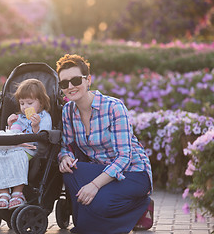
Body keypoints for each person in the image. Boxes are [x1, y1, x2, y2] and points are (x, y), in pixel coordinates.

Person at [56, 54, 153, 234]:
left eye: (76, 80)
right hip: (101, 169)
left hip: (132, 172)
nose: (70, 87)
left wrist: (94, 185)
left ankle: (142, 205)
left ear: (88, 80)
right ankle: (89, 219)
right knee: (68, 172)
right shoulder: (68, 111)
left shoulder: (114, 107)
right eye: (64, 83)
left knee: (99, 203)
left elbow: (125, 157)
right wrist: (65, 158)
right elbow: (65, 146)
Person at [0, 78, 52, 210]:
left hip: (31, 148)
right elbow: (14, 133)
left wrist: (36, 126)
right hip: (13, 146)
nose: (25, 107)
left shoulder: (43, 117)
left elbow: (44, 137)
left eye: (29, 103)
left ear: (41, 102)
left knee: (17, 155)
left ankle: (17, 193)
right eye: (22, 103)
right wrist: (10, 124)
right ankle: (3, 193)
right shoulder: (20, 117)